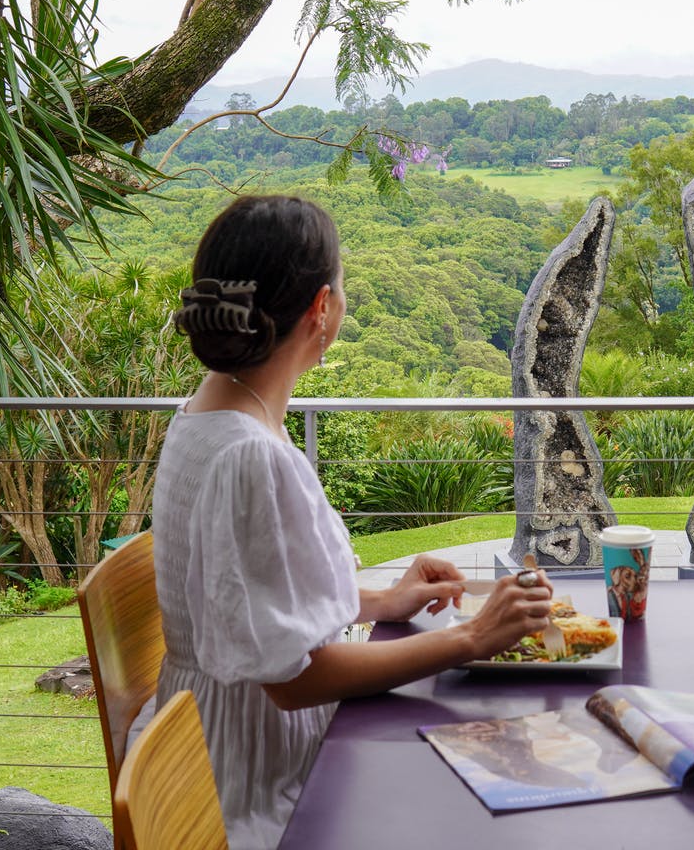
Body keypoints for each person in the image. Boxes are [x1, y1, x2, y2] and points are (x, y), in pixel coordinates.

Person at [152, 195, 555, 850]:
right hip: (257, 781)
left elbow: (244, 600)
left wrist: (379, 601)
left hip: (207, 740)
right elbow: (293, 680)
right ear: (322, 310)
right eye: (341, 288)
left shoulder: (207, 414)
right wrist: (470, 638)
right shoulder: (250, 454)